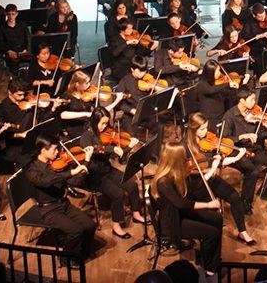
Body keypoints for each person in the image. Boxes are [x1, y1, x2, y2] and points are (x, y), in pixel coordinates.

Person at [151, 141, 223, 277]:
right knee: (212, 233)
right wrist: (208, 205)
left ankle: (212, 261)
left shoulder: (174, 173)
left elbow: (192, 190)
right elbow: (181, 204)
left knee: (217, 218)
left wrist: (210, 170)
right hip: (173, 222)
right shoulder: (163, 182)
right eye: (183, 157)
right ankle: (208, 268)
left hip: (181, 213)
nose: (187, 160)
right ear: (175, 159)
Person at [183, 112, 256, 244]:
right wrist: (212, 168)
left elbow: (215, 160)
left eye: (206, 127)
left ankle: (242, 231)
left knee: (234, 197)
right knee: (210, 216)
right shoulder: (186, 146)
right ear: (193, 129)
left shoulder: (206, 140)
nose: (206, 131)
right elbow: (192, 173)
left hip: (210, 177)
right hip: (197, 185)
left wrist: (235, 158)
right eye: (202, 129)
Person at [25, 135, 96, 270]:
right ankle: (65, 259)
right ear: (42, 150)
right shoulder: (31, 169)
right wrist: (71, 172)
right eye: (54, 150)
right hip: (48, 210)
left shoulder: (57, 164)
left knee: (90, 225)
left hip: (63, 204)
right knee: (76, 231)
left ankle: (82, 252)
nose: (58, 152)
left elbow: (75, 182)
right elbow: (46, 181)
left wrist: (86, 162)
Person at [78, 108, 143, 239]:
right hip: (94, 175)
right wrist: (111, 148)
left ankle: (136, 213)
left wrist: (129, 146)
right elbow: (95, 150)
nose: (104, 127)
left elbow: (120, 157)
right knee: (117, 194)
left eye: (106, 124)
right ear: (94, 121)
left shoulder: (106, 134)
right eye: (101, 123)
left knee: (132, 184)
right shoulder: (86, 137)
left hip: (107, 170)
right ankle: (116, 226)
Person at [221, 89, 267, 204]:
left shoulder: (255, 113)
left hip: (254, 149)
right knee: (252, 172)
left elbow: (260, 135)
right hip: (238, 151)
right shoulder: (229, 116)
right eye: (251, 99)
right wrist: (241, 136)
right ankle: (245, 203)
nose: (254, 102)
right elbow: (223, 139)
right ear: (242, 100)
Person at [0, 4, 32, 73]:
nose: (11, 17)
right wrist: (8, 51)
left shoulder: (23, 25)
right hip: (10, 53)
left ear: (17, 14)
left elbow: (28, 39)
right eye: (9, 14)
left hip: (23, 52)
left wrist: (25, 50)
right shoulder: (2, 27)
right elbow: (0, 42)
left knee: (33, 66)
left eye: (13, 14)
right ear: (6, 14)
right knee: (14, 70)